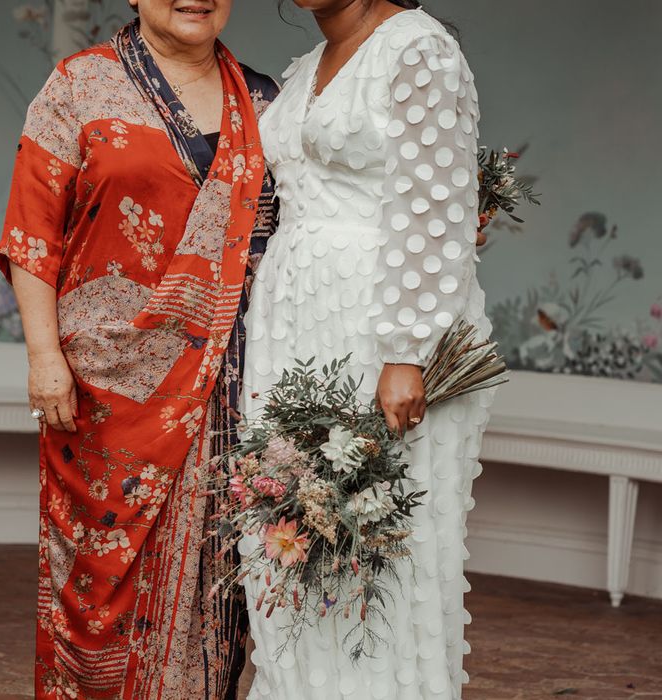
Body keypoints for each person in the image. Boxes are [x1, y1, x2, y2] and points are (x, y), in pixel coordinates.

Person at [0, 1, 280, 697]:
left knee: (220, 593)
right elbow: (33, 235)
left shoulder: (270, 101)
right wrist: (42, 358)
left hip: (238, 387)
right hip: (102, 395)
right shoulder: (78, 86)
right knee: (96, 590)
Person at [238, 0, 495, 698]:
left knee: (379, 553)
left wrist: (406, 350)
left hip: (378, 333)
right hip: (293, 329)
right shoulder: (302, 69)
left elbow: (434, 205)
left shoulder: (419, 49)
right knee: (293, 543)